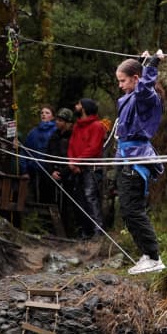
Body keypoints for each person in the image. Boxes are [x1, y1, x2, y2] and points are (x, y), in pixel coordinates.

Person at [115, 50, 166, 274]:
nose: (120, 85)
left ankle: (154, 257)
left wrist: (152, 64)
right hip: (125, 158)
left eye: (123, 81)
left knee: (133, 210)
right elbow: (139, 84)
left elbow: (144, 87)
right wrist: (144, 62)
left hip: (137, 160)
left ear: (136, 79)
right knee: (127, 210)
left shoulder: (146, 97)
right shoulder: (133, 96)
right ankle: (147, 255)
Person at [67, 98, 106, 239]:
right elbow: (71, 145)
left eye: (78, 104)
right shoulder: (77, 126)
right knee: (80, 199)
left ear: (84, 108)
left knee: (91, 198)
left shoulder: (97, 126)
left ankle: (98, 231)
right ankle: (85, 231)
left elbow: (94, 148)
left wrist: (77, 162)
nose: (76, 106)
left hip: (91, 168)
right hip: (77, 167)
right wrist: (72, 162)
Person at [47, 108, 76, 237]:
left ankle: (69, 232)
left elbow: (74, 157)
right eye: (57, 120)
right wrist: (52, 170)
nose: (57, 122)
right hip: (54, 172)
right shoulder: (54, 136)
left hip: (69, 175)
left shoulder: (73, 136)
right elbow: (48, 155)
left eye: (60, 120)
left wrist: (64, 173)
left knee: (68, 205)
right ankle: (53, 230)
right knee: (52, 202)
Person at [24, 105, 57, 204]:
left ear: (52, 116)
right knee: (35, 199)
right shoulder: (33, 132)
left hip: (50, 171)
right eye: (42, 112)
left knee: (49, 198)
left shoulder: (56, 131)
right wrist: (24, 169)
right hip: (34, 170)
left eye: (47, 113)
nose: (43, 115)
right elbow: (25, 151)